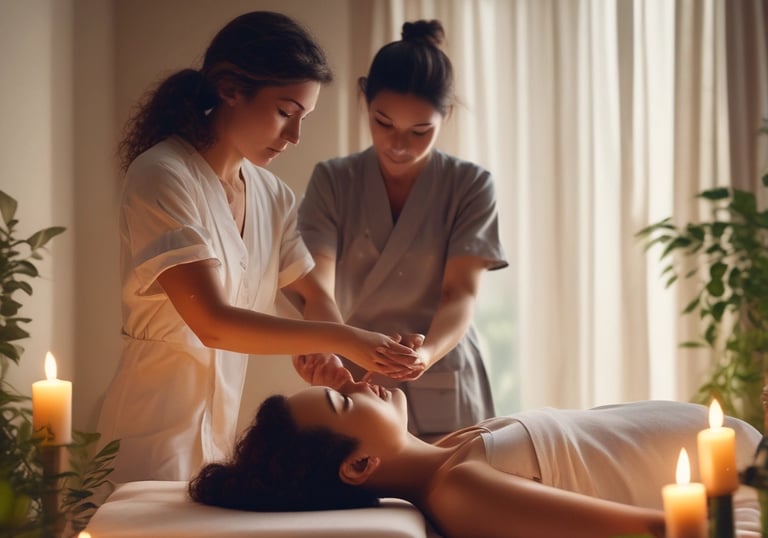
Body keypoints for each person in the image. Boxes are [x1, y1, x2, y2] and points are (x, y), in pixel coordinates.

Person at [97, 11, 420, 484]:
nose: (294, 137)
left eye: (303, 118)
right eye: (285, 112)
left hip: (218, 438)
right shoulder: (163, 174)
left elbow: (311, 296)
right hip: (148, 436)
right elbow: (213, 324)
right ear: (229, 89)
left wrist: (346, 375)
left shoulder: (272, 195)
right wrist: (342, 338)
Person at [189, 382, 762, 538]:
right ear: (359, 467)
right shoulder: (459, 491)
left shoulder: (447, 452)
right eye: (346, 400)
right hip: (742, 505)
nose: (362, 383)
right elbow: (647, 532)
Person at [296, 19, 507, 437]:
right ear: (365, 102)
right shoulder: (334, 181)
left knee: (455, 491)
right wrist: (325, 345)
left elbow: (460, 293)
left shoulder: (470, 185)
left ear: (445, 117)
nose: (398, 144)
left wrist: (424, 353)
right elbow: (316, 286)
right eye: (383, 123)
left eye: (419, 131)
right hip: (353, 375)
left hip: (443, 369)